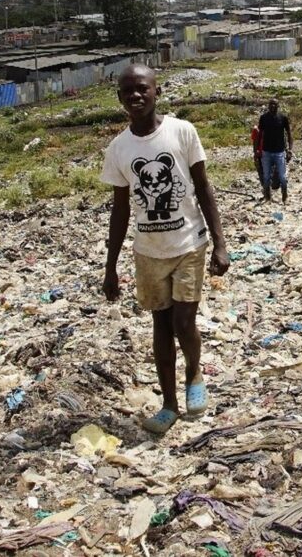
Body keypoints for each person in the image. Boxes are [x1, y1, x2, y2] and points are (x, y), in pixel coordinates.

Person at [101, 64, 229, 434]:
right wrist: (110, 267)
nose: (135, 96)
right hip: (148, 251)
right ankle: (169, 404)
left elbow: (204, 187)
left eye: (142, 89)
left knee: (183, 320)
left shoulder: (182, 132)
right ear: (120, 98)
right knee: (160, 324)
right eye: (127, 92)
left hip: (190, 242)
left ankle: (194, 373)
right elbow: (120, 209)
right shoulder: (119, 149)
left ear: (157, 91)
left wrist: (220, 242)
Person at [258, 99, 293, 203]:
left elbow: (289, 134)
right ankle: (268, 197)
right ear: (268, 106)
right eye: (271, 104)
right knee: (266, 176)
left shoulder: (283, 118)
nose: (272, 106)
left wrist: (290, 150)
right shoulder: (264, 118)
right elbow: (260, 135)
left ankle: (285, 196)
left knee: (282, 176)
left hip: (279, 152)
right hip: (266, 151)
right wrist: (257, 150)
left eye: (275, 104)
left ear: (278, 106)